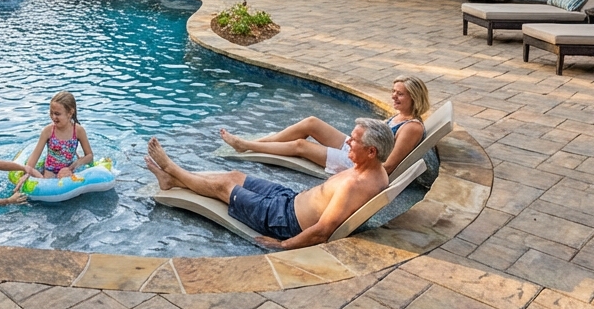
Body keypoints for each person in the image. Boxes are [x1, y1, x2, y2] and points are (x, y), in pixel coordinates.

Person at [146, 117, 395, 250]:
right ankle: (171, 180)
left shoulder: (355, 184)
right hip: (288, 199)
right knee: (234, 175)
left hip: (283, 221)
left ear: (371, 151)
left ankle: (172, 170)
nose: (347, 142)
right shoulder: (375, 170)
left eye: (354, 140)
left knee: (225, 187)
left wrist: (283, 244)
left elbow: (322, 231)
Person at [220, 75, 430, 176]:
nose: (393, 97)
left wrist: (356, 169)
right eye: (393, 92)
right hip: (358, 148)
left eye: (400, 94)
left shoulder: (412, 127)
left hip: (361, 162)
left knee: (301, 146)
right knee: (311, 122)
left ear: (414, 97)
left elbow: (388, 165)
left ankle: (246, 145)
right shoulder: (399, 116)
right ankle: (257, 142)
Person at [24, 92, 95, 178]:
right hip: (51, 169)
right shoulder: (48, 131)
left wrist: (75, 165)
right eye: (51, 113)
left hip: (70, 167)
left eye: (57, 114)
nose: (53, 117)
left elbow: (89, 156)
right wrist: (28, 172)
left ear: (70, 113)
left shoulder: (78, 130)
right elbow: (35, 156)